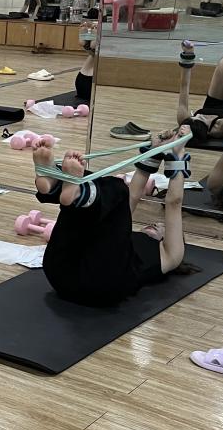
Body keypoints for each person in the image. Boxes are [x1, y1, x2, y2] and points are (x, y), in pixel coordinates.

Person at [32, 128, 191, 307]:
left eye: (161, 226)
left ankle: (70, 187)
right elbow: (134, 195)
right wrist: (155, 150)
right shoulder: (120, 236)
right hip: (60, 270)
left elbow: (174, 202)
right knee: (94, 200)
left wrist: (179, 153)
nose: (155, 224)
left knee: (117, 189)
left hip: (102, 285)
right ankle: (53, 183)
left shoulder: (172, 256)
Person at [176, 39, 223, 145]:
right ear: (191, 135)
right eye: (182, 135)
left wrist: (188, 54)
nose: (180, 131)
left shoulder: (183, 120)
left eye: (178, 134)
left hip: (213, 101)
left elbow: (184, 86)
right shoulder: (221, 128)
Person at [75, 19, 97, 102]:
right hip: (87, 86)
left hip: (83, 84)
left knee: (93, 54)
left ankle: (89, 43)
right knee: (94, 53)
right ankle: (90, 42)